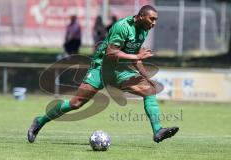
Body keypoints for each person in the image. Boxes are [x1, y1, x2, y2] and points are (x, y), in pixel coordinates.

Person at [27, 5, 179, 144]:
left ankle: (158, 130)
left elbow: (135, 55)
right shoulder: (122, 26)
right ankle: (40, 121)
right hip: (101, 68)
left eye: (156, 20)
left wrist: (146, 77)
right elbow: (111, 53)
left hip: (121, 71)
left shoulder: (144, 30)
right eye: (151, 19)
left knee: (149, 90)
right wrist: (136, 57)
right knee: (76, 103)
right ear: (140, 16)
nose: (154, 23)